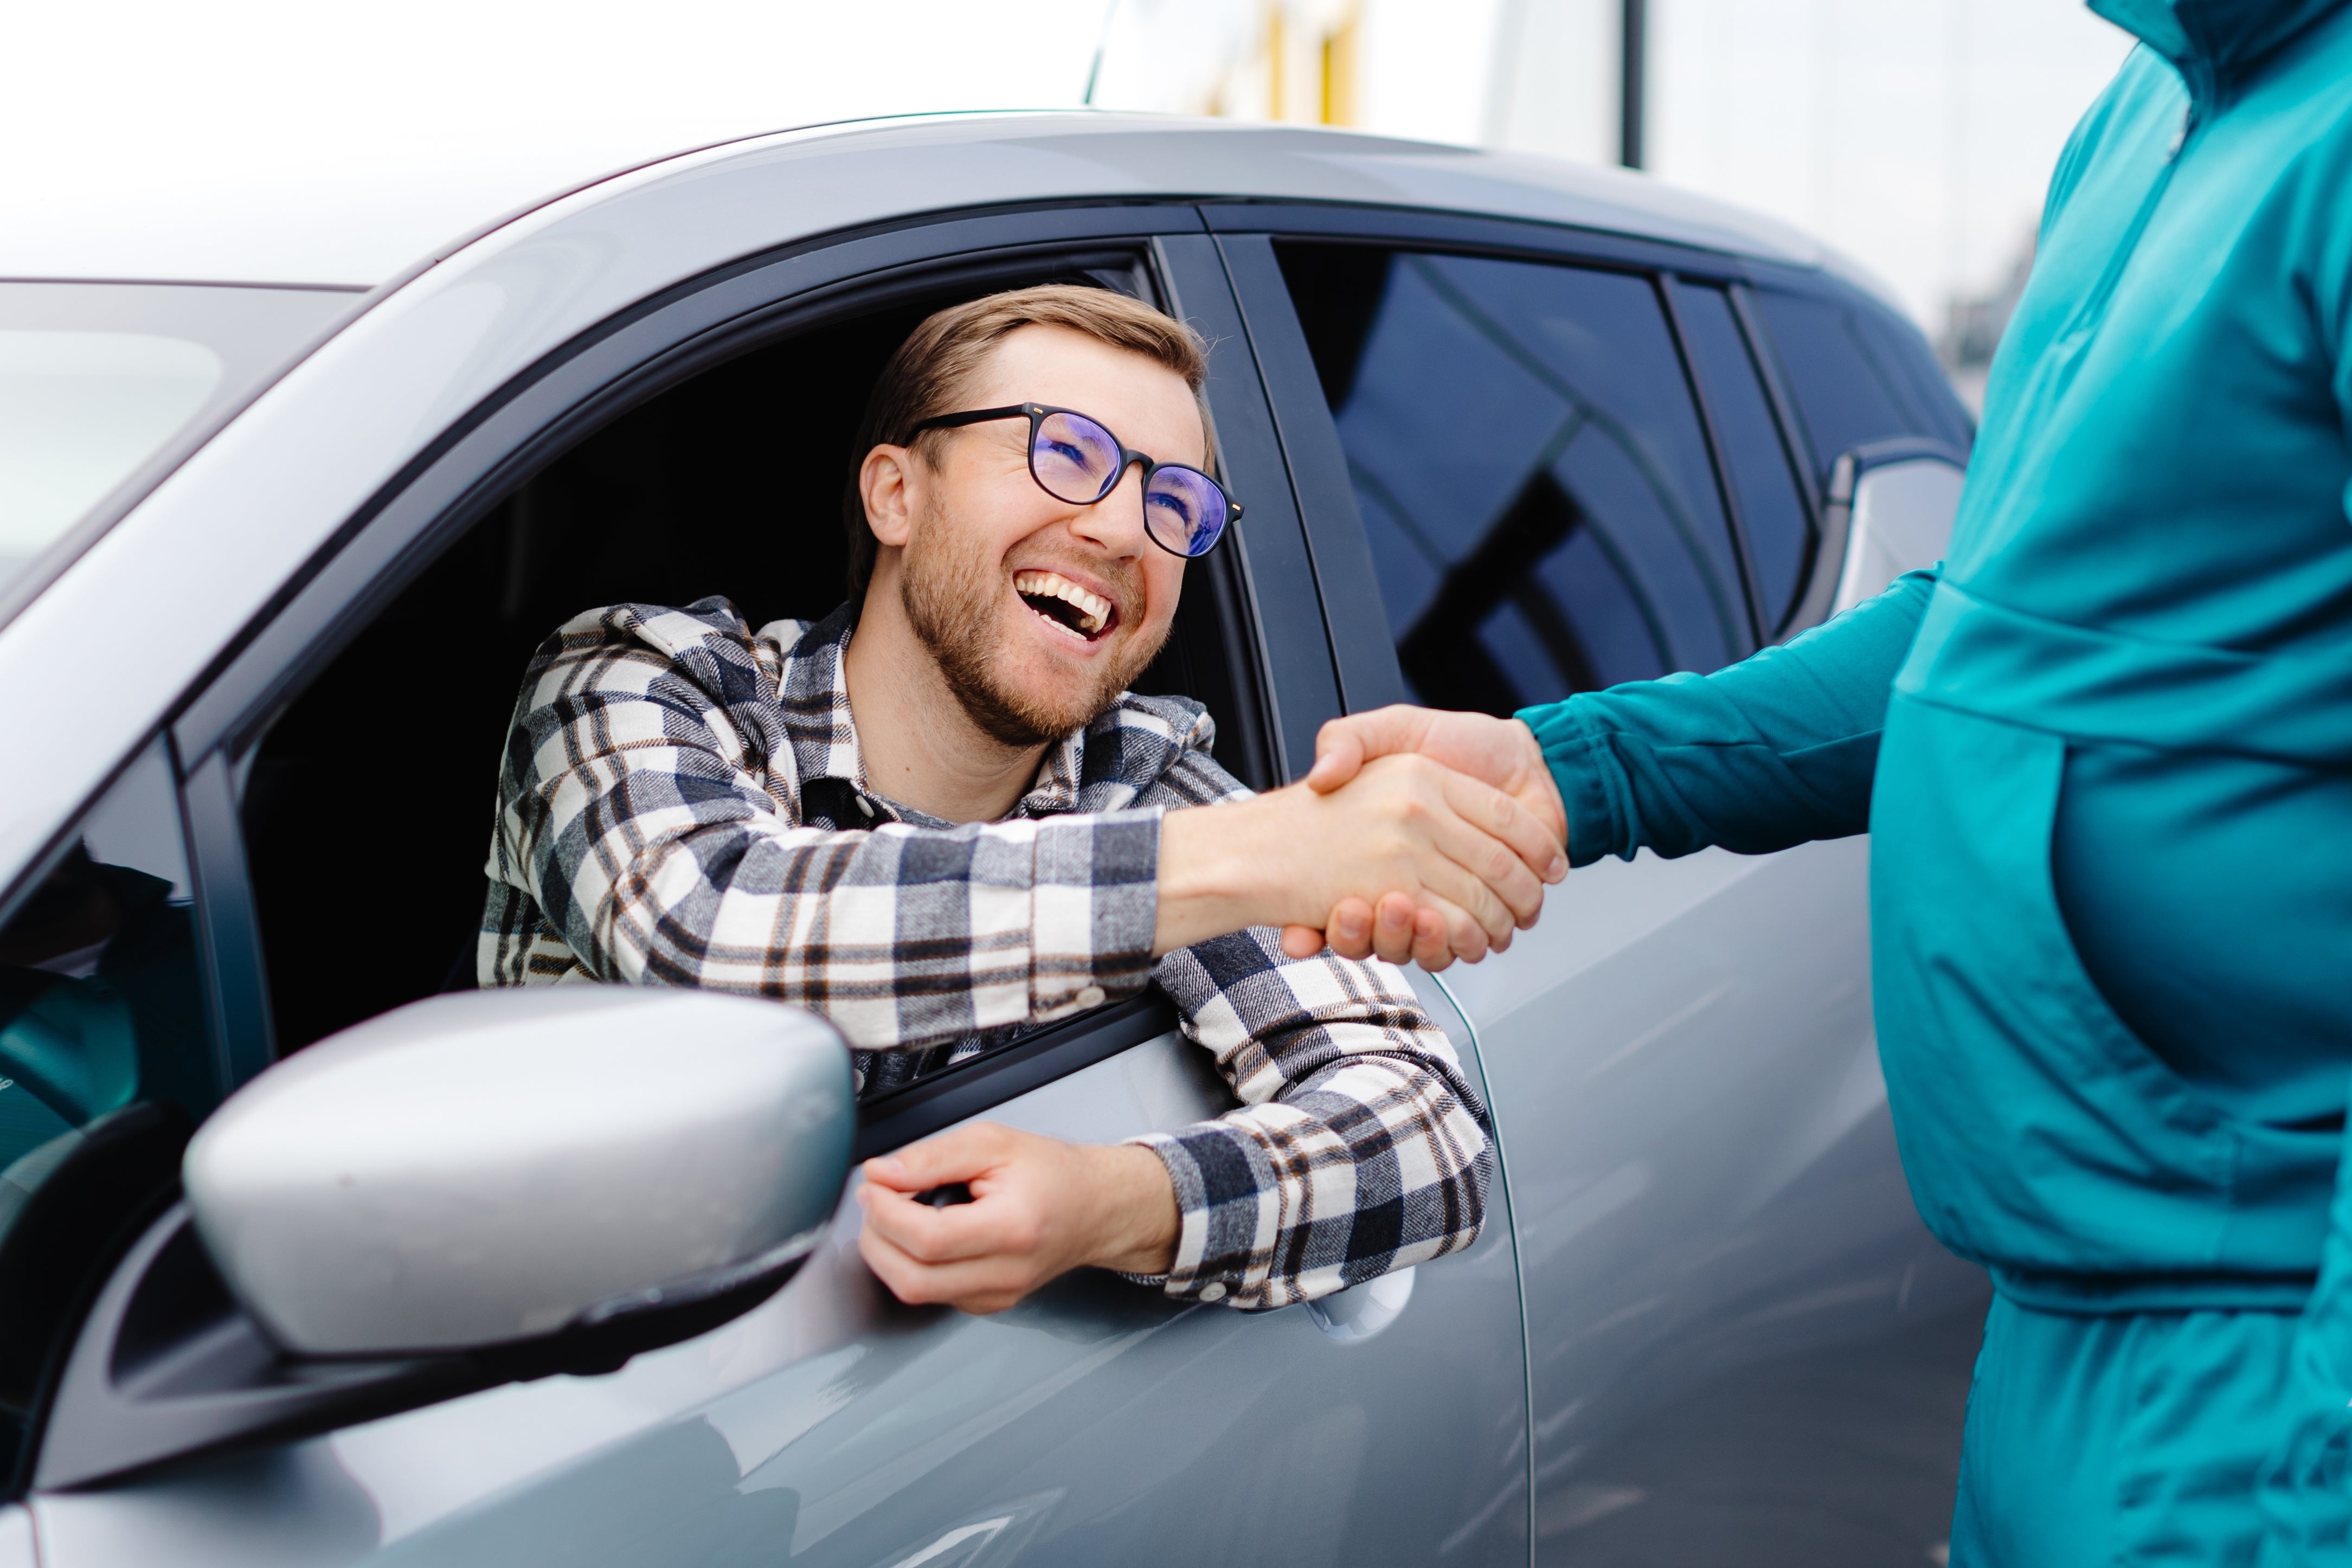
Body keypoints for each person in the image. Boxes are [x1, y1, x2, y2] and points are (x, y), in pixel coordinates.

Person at [1297, 3, 2352, 1558]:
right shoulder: (2137, 114)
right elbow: (1987, 628)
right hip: (2062, 1328)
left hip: (2266, 1366)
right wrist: (1567, 768)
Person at [479, 284, 1564, 1316]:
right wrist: (1261, 854)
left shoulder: (1143, 785)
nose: (1125, 531)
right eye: (1068, 452)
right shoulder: (637, 681)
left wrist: (1116, 1205)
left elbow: (1434, 1136)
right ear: (897, 492)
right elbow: (706, 927)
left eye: (1172, 501)